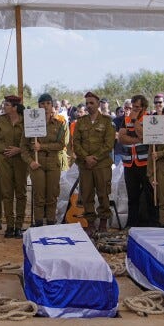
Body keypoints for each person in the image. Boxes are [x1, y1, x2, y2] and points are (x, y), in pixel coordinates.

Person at [21, 93, 69, 226]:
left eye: (48, 103)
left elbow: (61, 144)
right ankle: (38, 223)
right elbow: (23, 147)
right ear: (39, 106)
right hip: (37, 163)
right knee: (39, 196)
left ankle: (51, 222)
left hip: (53, 162)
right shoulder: (30, 124)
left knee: (52, 195)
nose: (46, 106)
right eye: (42, 104)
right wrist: (30, 161)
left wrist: (42, 146)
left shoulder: (59, 124)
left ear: (52, 105)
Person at [73, 91, 115, 235]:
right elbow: (76, 143)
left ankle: (103, 223)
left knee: (103, 193)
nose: (89, 106)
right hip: (85, 165)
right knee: (87, 194)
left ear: (98, 104)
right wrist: (86, 158)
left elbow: (109, 144)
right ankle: (90, 223)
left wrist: (95, 158)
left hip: (102, 165)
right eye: (87, 103)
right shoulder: (81, 121)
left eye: (92, 103)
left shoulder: (107, 121)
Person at [118, 94, 157, 228]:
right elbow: (121, 138)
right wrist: (138, 139)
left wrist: (135, 122)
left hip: (146, 164)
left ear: (143, 107)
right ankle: (131, 224)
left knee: (150, 195)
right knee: (132, 197)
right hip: (129, 163)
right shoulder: (126, 119)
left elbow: (145, 136)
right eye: (132, 107)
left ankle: (153, 224)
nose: (134, 110)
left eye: (137, 107)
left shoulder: (150, 119)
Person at [0, 95, 26, 238]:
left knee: (21, 193)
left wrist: (19, 149)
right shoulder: (1, 120)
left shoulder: (25, 121)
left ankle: (19, 226)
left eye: (7, 105)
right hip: (3, 159)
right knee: (6, 193)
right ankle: (10, 226)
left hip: (20, 159)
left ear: (15, 107)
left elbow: (31, 142)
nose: (4, 107)